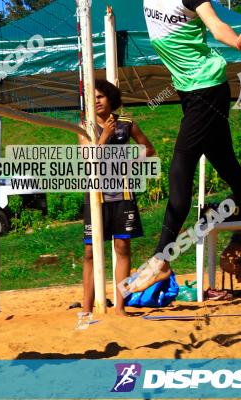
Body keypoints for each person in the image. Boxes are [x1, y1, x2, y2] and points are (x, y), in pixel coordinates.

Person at [27, 0, 241, 292]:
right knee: (228, 167)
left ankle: (161, 260)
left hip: (208, 90)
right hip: (193, 93)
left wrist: (237, 42)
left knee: (180, 171)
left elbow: (216, 26)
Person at [80, 79, 156, 316]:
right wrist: (104, 138)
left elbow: (149, 149)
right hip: (95, 196)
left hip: (122, 195)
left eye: (100, 96)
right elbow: (87, 160)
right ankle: (86, 308)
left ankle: (120, 307)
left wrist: (132, 164)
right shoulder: (85, 126)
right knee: (91, 252)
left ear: (110, 98)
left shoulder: (126, 122)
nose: (96, 101)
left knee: (122, 246)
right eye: (92, 97)